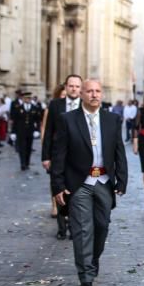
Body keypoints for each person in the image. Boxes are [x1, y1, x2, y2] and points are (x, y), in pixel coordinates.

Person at [51, 79, 127, 286]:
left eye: (98, 91)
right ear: (81, 94)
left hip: (103, 182)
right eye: (89, 91)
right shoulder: (68, 120)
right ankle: (86, 277)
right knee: (83, 230)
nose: (94, 95)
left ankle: (91, 261)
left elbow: (119, 150)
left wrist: (122, 179)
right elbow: (59, 155)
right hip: (79, 183)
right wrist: (58, 185)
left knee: (101, 228)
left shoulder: (112, 119)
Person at [42, 75, 83, 239]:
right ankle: (61, 227)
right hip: (58, 156)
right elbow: (49, 132)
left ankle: (74, 226)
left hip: (79, 157)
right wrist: (46, 157)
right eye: (71, 86)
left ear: (81, 89)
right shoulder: (55, 105)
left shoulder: (85, 106)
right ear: (65, 87)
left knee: (76, 192)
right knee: (58, 188)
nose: (74, 89)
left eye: (77, 86)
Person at [10, 92, 41, 171]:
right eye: (26, 98)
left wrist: (37, 130)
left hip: (30, 131)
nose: (28, 99)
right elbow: (15, 121)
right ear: (23, 99)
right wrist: (13, 132)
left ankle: (27, 163)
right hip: (21, 131)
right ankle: (22, 164)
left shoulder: (34, 108)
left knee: (28, 148)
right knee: (22, 148)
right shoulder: (18, 108)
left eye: (29, 98)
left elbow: (37, 120)